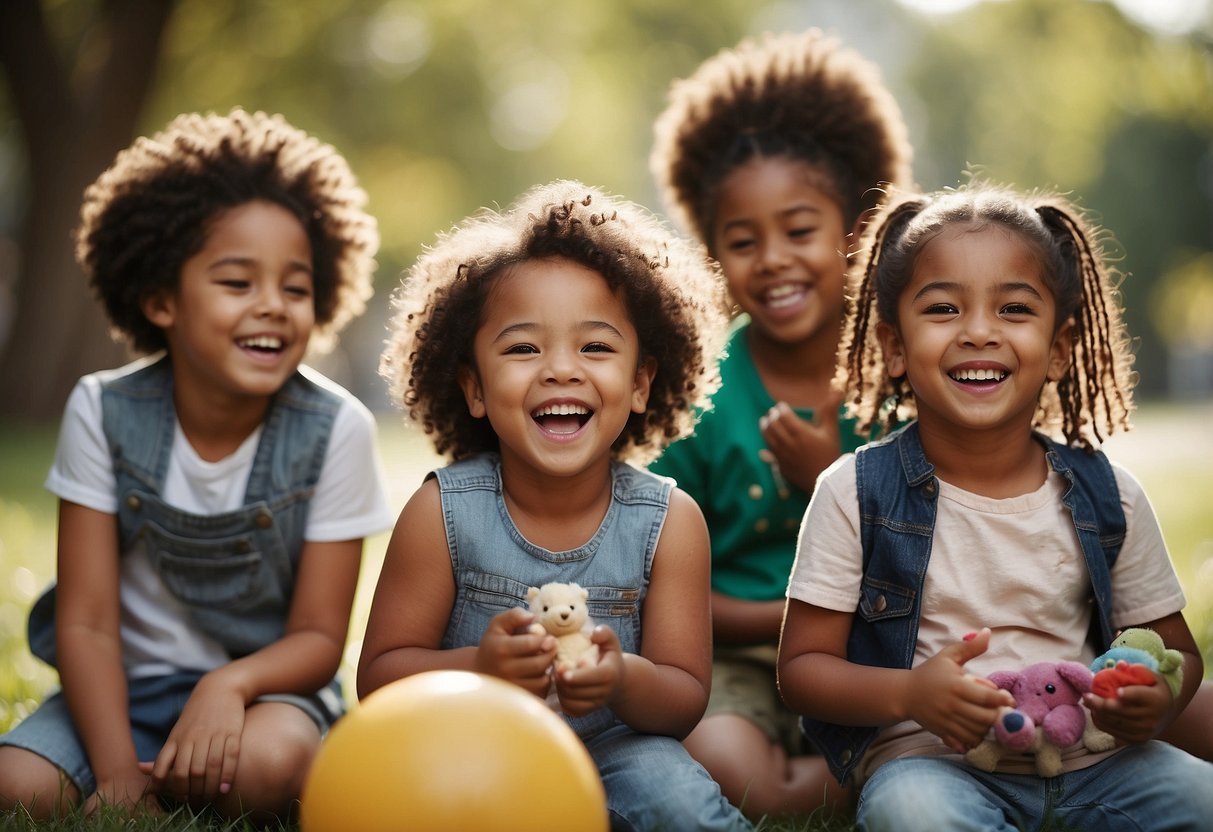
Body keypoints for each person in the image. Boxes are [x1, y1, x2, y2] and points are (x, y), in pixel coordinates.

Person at [777, 182, 1213, 831]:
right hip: (930, 763)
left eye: (1012, 309)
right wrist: (907, 695)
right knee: (912, 813)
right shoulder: (853, 491)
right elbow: (802, 670)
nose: (978, 331)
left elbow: (1178, 654)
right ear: (893, 346)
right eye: (943, 309)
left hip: (1096, 760)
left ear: (1058, 348)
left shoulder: (1108, 495)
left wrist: (1154, 701)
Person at [0, 108, 394, 822]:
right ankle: (142, 767)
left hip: (268, 693)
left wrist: (227, 687)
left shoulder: (337, 428)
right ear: (160, 300)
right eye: (237, 283)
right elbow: (85, 622)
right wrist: (117, 772)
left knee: (265, 769)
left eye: (295, 288)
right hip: (123, 686)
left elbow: (317, 637)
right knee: (18, 786)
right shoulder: (102, 409)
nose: (272, 306)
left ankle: (202, 763)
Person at [358, 179, 753, 832]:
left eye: (595, 347)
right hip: (472, 746)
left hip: (617, 748)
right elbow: (379, 676)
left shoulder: (669, 522)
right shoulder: (442, 513)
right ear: (474, 388)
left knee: (677, 800)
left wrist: (620, 677)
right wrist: (478, 668)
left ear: (641, 383)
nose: (560, 370)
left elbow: (683, 698)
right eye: (522, 348)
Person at [646, 28, 912, 818]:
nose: (771, 259)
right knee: (714, 756)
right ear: (711, 253)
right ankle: (824, 790)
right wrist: (789, 621)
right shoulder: (698, 391)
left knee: (935, 724)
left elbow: (932, 554)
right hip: (734, 659)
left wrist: (829, 475)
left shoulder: (898, 374)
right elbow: (674, 592)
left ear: (855, 231)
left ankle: (860, 775)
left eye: (798, 230)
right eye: (741, 240)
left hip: (877, 652)